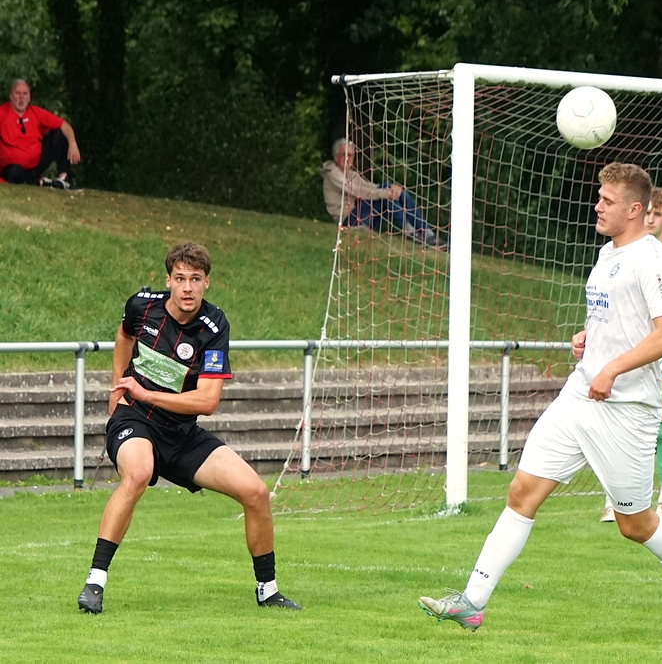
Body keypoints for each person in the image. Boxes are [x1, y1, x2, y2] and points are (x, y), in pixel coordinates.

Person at [418, 163, 662, 636]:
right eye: (599, 197)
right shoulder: (607, 252)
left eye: (608, 201)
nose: (597, 206)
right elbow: (618, 320)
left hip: (627, 411)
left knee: (634, 524)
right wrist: (588, 339)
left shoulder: (652, 259)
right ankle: (472, 603)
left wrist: (613, 368)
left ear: (635, 210)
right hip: (580, 396)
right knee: (522, 492)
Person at [77, 243, 300, 613]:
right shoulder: (142, 306)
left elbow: (207, 402)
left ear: (206, 283)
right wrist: (118, 387)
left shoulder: (214, 326)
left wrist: (146, 392)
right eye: (180, 278)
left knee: (256, 492)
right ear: (168, 281)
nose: (187, 288)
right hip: (134, 419)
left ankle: (268, 590)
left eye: (195, 279)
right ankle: (94, 584)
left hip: (181, 433)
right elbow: (125, 335)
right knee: (137, 474)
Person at [599, 187, 662, 523]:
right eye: (648, 212)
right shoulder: (621, 252)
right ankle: (615, 499)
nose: (651, 219)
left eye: (658, 213)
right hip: (630, 359)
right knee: (617, 430)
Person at [321, 138, 445, 248]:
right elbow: (358, 191)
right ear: (336, 157)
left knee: (387, 188)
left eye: (350, 155)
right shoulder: (333, 174)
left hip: (361, 216)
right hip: (348, 220)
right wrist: (385, 193)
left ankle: (427, 233)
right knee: (384, 194)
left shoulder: (351, 174)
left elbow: (370, 186)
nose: (348, 158)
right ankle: (411, 232)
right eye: (344, 155)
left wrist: (393, 189)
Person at [0, 79, 80, 188]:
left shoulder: (36, 112)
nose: (21, 97)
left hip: (36, 165)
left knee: (59, 133)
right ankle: (41, 183)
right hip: (11, 168)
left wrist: (73, 144)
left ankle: (64, 178)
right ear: (11, 96)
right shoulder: (2, 113)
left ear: (29, 97)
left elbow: (64, 125)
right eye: (17, 93)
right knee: (13, 172)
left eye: (25, 93)